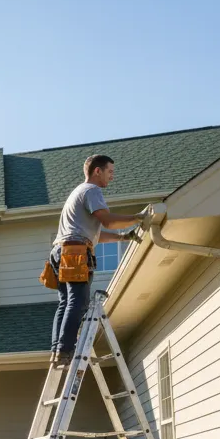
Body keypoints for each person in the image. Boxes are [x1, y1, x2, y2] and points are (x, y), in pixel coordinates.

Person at [49, 154, 145, 366]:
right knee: (78, 301)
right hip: (74, 252)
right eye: (110, 171)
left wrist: (123, 237)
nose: (112, 176)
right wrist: (138, 217)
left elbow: (96, 234)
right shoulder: (92, 191)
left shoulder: (78, 192)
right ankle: (66, 350)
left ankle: (58, 350)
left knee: (66, 302)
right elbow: (108, 222)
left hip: (61, 251)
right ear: (97, 171)